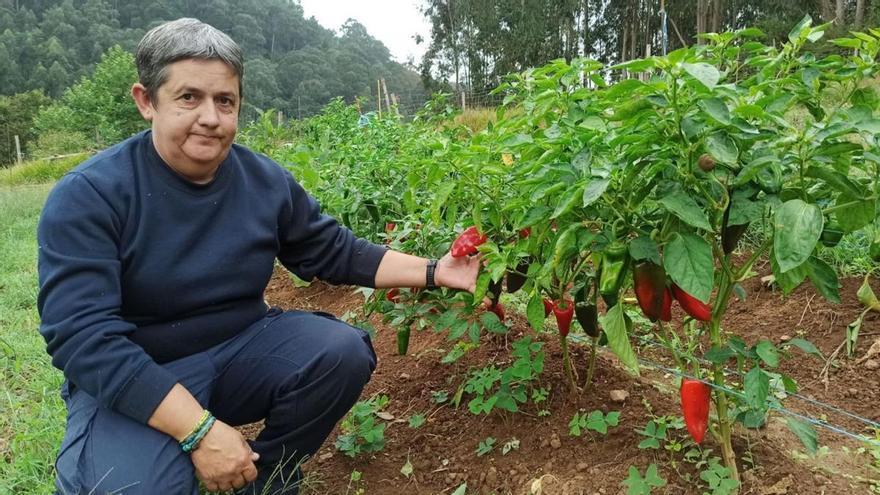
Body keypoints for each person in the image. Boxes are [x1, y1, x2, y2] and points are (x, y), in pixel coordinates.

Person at [36, 18, 480, 495]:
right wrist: (200, 432)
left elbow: (332, 250)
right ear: (147, 101)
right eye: (190, 97)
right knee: (123, 488)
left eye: (225, 101)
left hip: (238, 351)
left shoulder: (262, 180)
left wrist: (437, 271)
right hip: (142, 368)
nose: (211, 116)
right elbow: (83, 337)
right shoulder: (91, 195)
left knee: (339, 352)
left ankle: (265, 478)